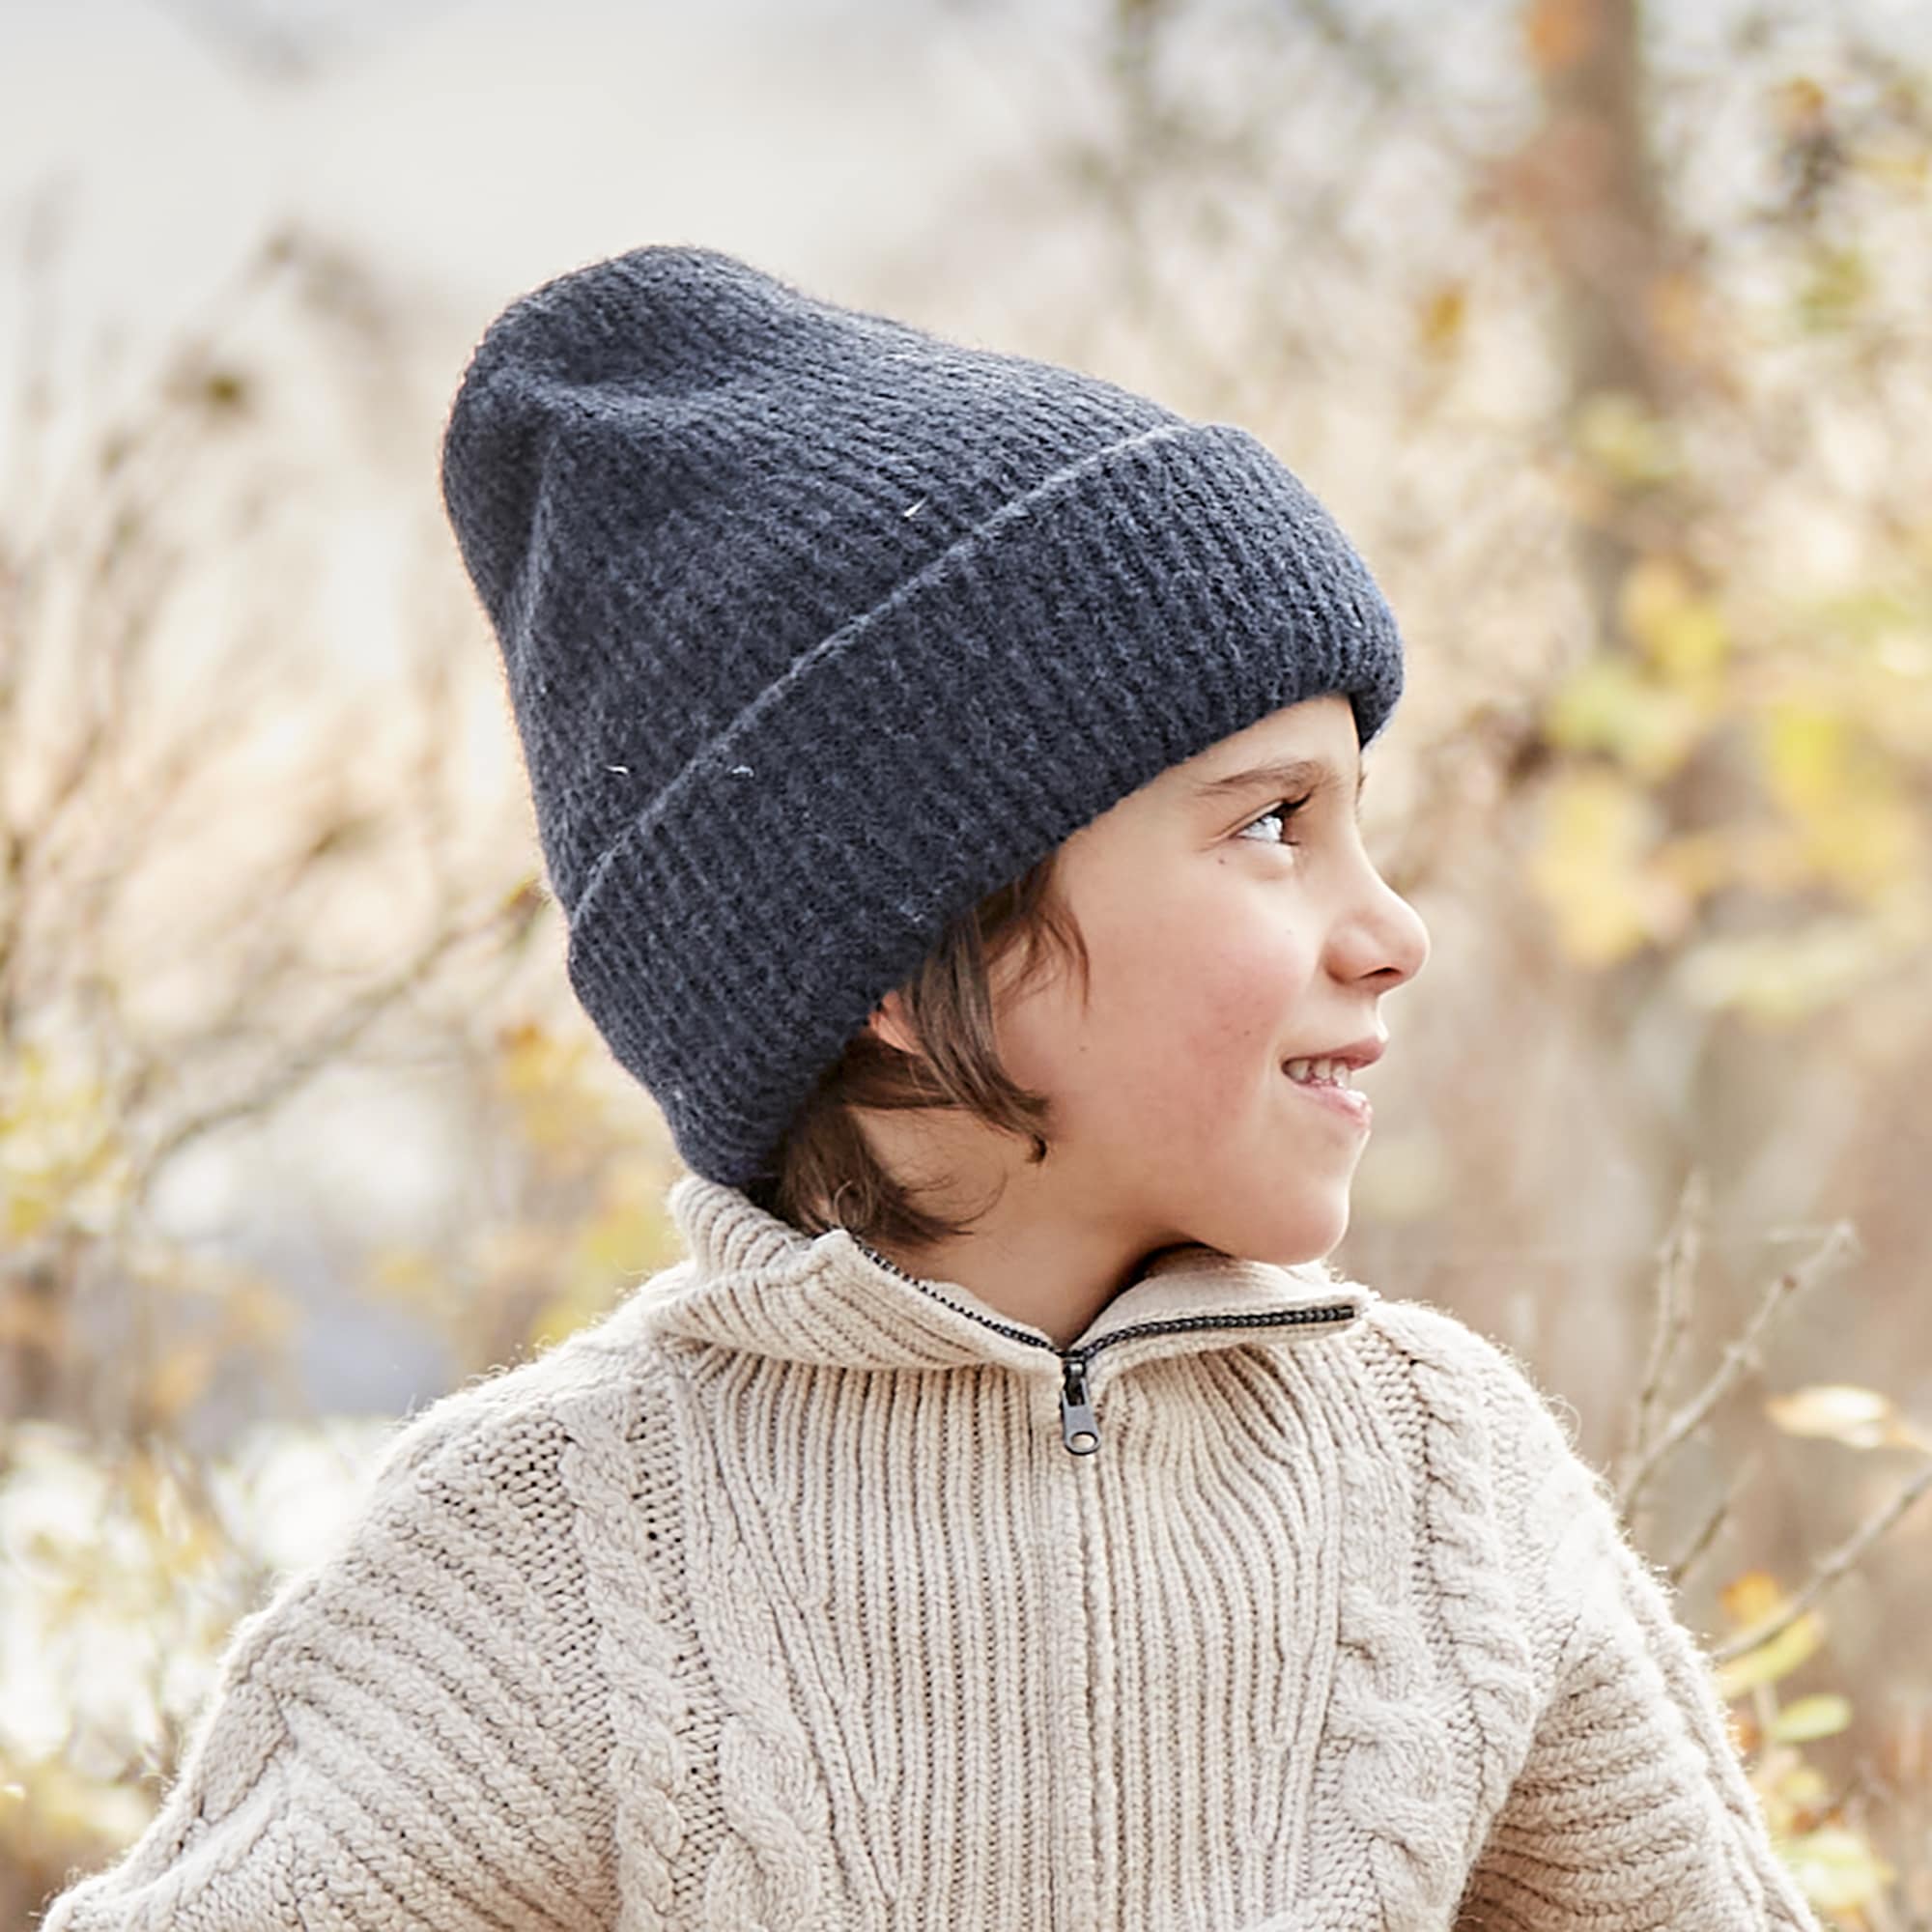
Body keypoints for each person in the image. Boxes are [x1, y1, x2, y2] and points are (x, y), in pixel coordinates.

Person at [39, 245, 1819, 1932]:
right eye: (1274, 825)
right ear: (897, 954)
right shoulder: (557, 1544)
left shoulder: (1444, 1476)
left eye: (1363, 819)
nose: (1394, 930)